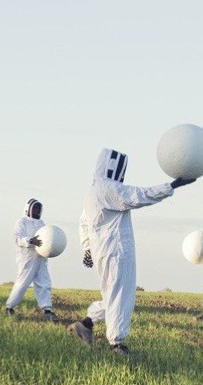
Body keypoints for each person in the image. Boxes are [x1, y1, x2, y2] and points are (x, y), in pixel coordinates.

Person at [68, 148, 195, 355]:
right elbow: (138, 196)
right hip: (116, 250)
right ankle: (117, 345)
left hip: (103, 250)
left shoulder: (92, 191)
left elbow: (83, 222)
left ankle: (86, 324)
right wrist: (171, 186)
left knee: (113, 294)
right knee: (121, 295)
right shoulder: (107, 188)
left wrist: (87, 248)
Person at [5, 198, 56, 321]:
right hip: (27, 257)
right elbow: (17, 238)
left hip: (41, 258)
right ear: (28, 209)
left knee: (44, 282)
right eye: (35, 208)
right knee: (23, 283)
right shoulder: (21, 222)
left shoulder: (42, 224)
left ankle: (47, 309)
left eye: (39, 208)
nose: (38, 211)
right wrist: (30, 240)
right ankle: (10, 307)